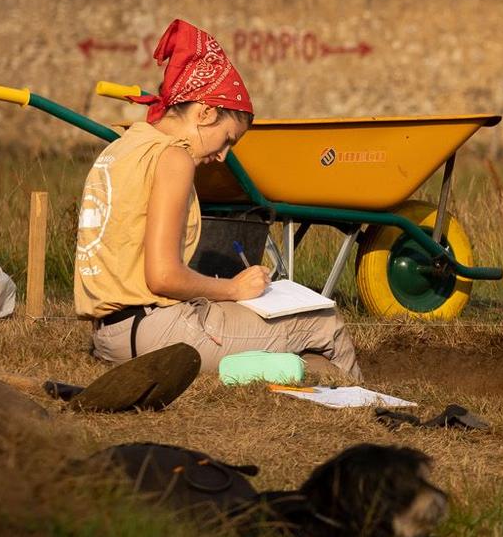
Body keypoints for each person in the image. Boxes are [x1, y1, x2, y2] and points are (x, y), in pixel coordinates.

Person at [75, 19, 363, 381]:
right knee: (324, 323)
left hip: (112, 333)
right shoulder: (174, 158)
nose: (224, 155)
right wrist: (232, 289)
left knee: (309, 358)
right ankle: (364, 408)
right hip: (155, 333)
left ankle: (307, 381)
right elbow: (162, 276)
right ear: (206, 112)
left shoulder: (123, 148)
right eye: (227, 139)